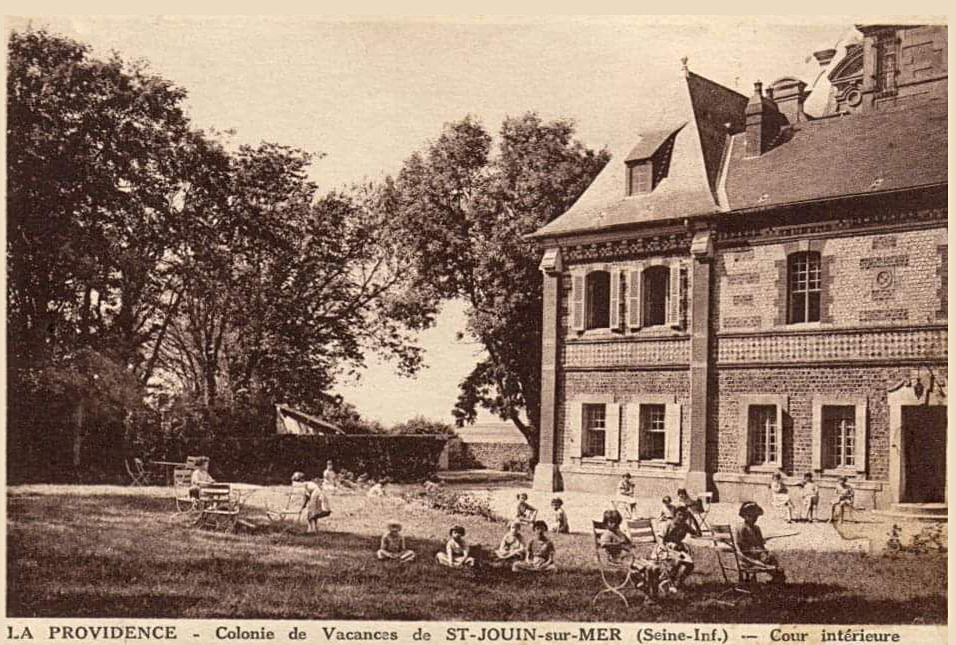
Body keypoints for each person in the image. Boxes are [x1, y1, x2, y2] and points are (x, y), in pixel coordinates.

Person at [734, 502, 786, 584]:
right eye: (752, 516)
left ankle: (775, 579)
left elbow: (760, 545)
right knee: (772, 567)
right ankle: (775, 579)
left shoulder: (756, 528)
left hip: (758, 555)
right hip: (748, 559)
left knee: (773, 561)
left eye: (756, 517)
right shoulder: (741, 528)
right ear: (745, 516)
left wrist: (764, 550)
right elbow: (740, 548)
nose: (755, 519)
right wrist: (757, 554)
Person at [657, 506, 701, 592]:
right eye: (679, 515)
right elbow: (660, 538)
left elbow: (698, 533)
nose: (681, 517)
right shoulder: (668, 524)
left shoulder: (685, 526)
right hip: (665, 548)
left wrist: (694, 519)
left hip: (678, 550)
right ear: (674, 515)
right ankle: (669, 583)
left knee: (690, 564)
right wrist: (663, 546)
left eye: (684, 515)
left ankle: (678, 583)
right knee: (677, 561)